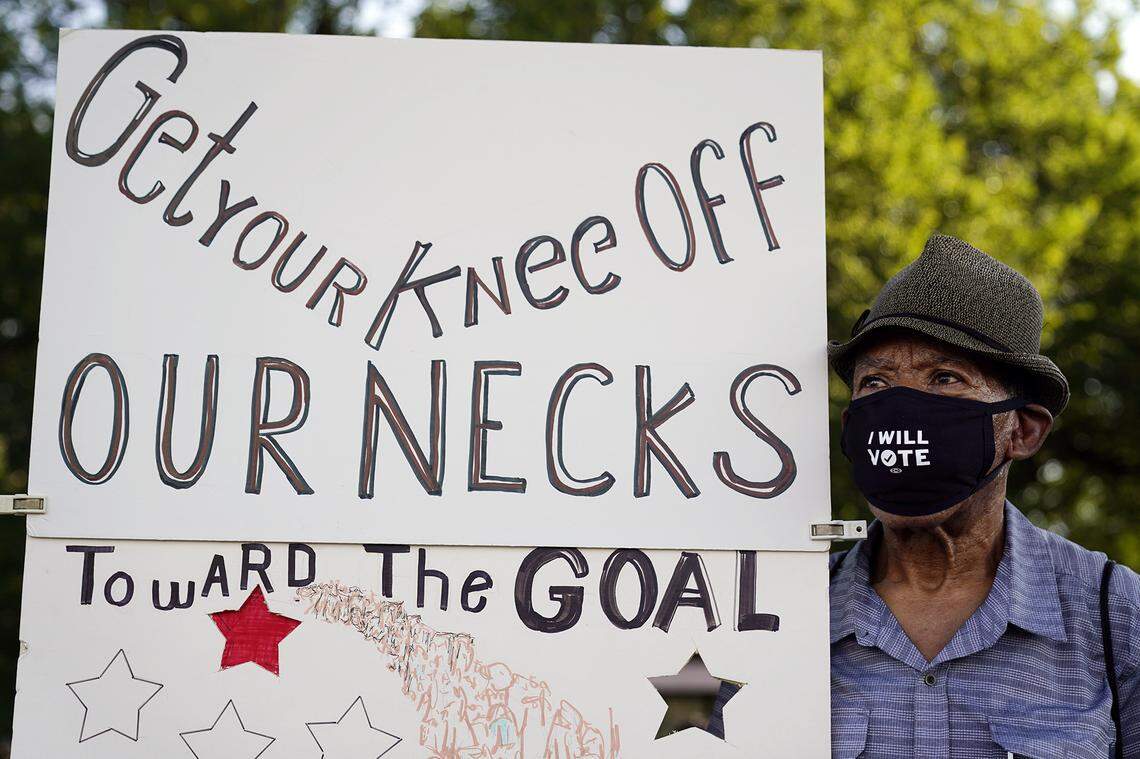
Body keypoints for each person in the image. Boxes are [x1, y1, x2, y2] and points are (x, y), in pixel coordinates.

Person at [821, 234, 1139, 757]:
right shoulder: (780, 607)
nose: (901, 409)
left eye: (945, 378)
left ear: (1024, 431)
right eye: (875, 383)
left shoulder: (1114, 615)